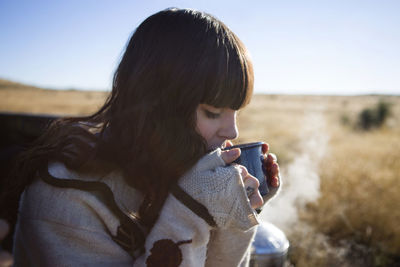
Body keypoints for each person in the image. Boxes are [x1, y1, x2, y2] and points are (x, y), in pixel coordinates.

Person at [6, 8, 280, 266]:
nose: (232, 132)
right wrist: (192, 208)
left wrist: (235, 212)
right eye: (212, 112)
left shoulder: (175, 169)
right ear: (158, 104)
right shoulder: (65, 197)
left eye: (236, 113)